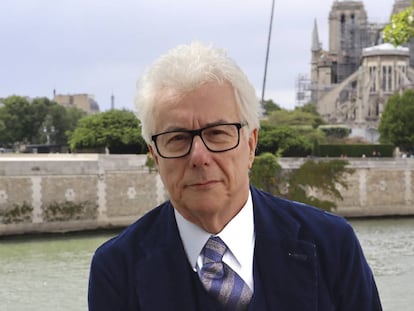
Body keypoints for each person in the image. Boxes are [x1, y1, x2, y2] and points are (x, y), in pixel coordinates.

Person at [88, 42, 382, 310]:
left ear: (251, 144)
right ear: (155, 156)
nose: (199, 157)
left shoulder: (331, 244)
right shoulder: (116, 270)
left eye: (217, 133)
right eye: (177, 138)